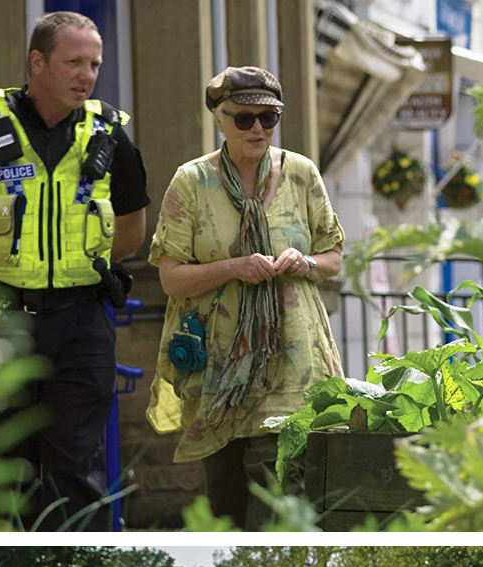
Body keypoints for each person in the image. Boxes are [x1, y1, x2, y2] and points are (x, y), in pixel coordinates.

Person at [0, 11, 151, 531]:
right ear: (37, 62)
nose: (86, 75)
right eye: (73, 62)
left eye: (94, 64)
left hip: (82, 324)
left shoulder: (109, 134)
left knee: (77, 467)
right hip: (0, 322)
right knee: (2, 469)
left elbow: (132, 230)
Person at [145, 66, 345, 530]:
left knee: (278, 481)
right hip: (217, 361)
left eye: (268, 118)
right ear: (219, 118)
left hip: (290, 356)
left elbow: (333, 255)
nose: (258, 128)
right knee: (226, 495)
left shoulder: (301, 174)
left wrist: (306, 263)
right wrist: (235, 268)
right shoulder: (191, 182)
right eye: (244, 118)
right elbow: (171, 277)